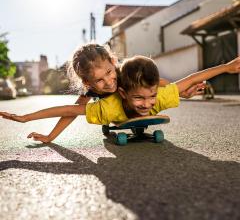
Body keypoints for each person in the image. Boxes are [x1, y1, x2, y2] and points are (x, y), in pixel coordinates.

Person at [1, 55, 239, 143]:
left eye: (108, 73)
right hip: (113, 111)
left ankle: (144, 106)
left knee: (158, 89)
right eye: (99, 81)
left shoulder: (124, 74)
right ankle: (119, 116)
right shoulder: (93, 94)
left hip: (132, 96)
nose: (109, 82)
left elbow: (169, 82)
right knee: (103, 108)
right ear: (88, 84)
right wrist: (34, 123)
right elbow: (69, 112)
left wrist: (227, 67)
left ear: (113, 64)